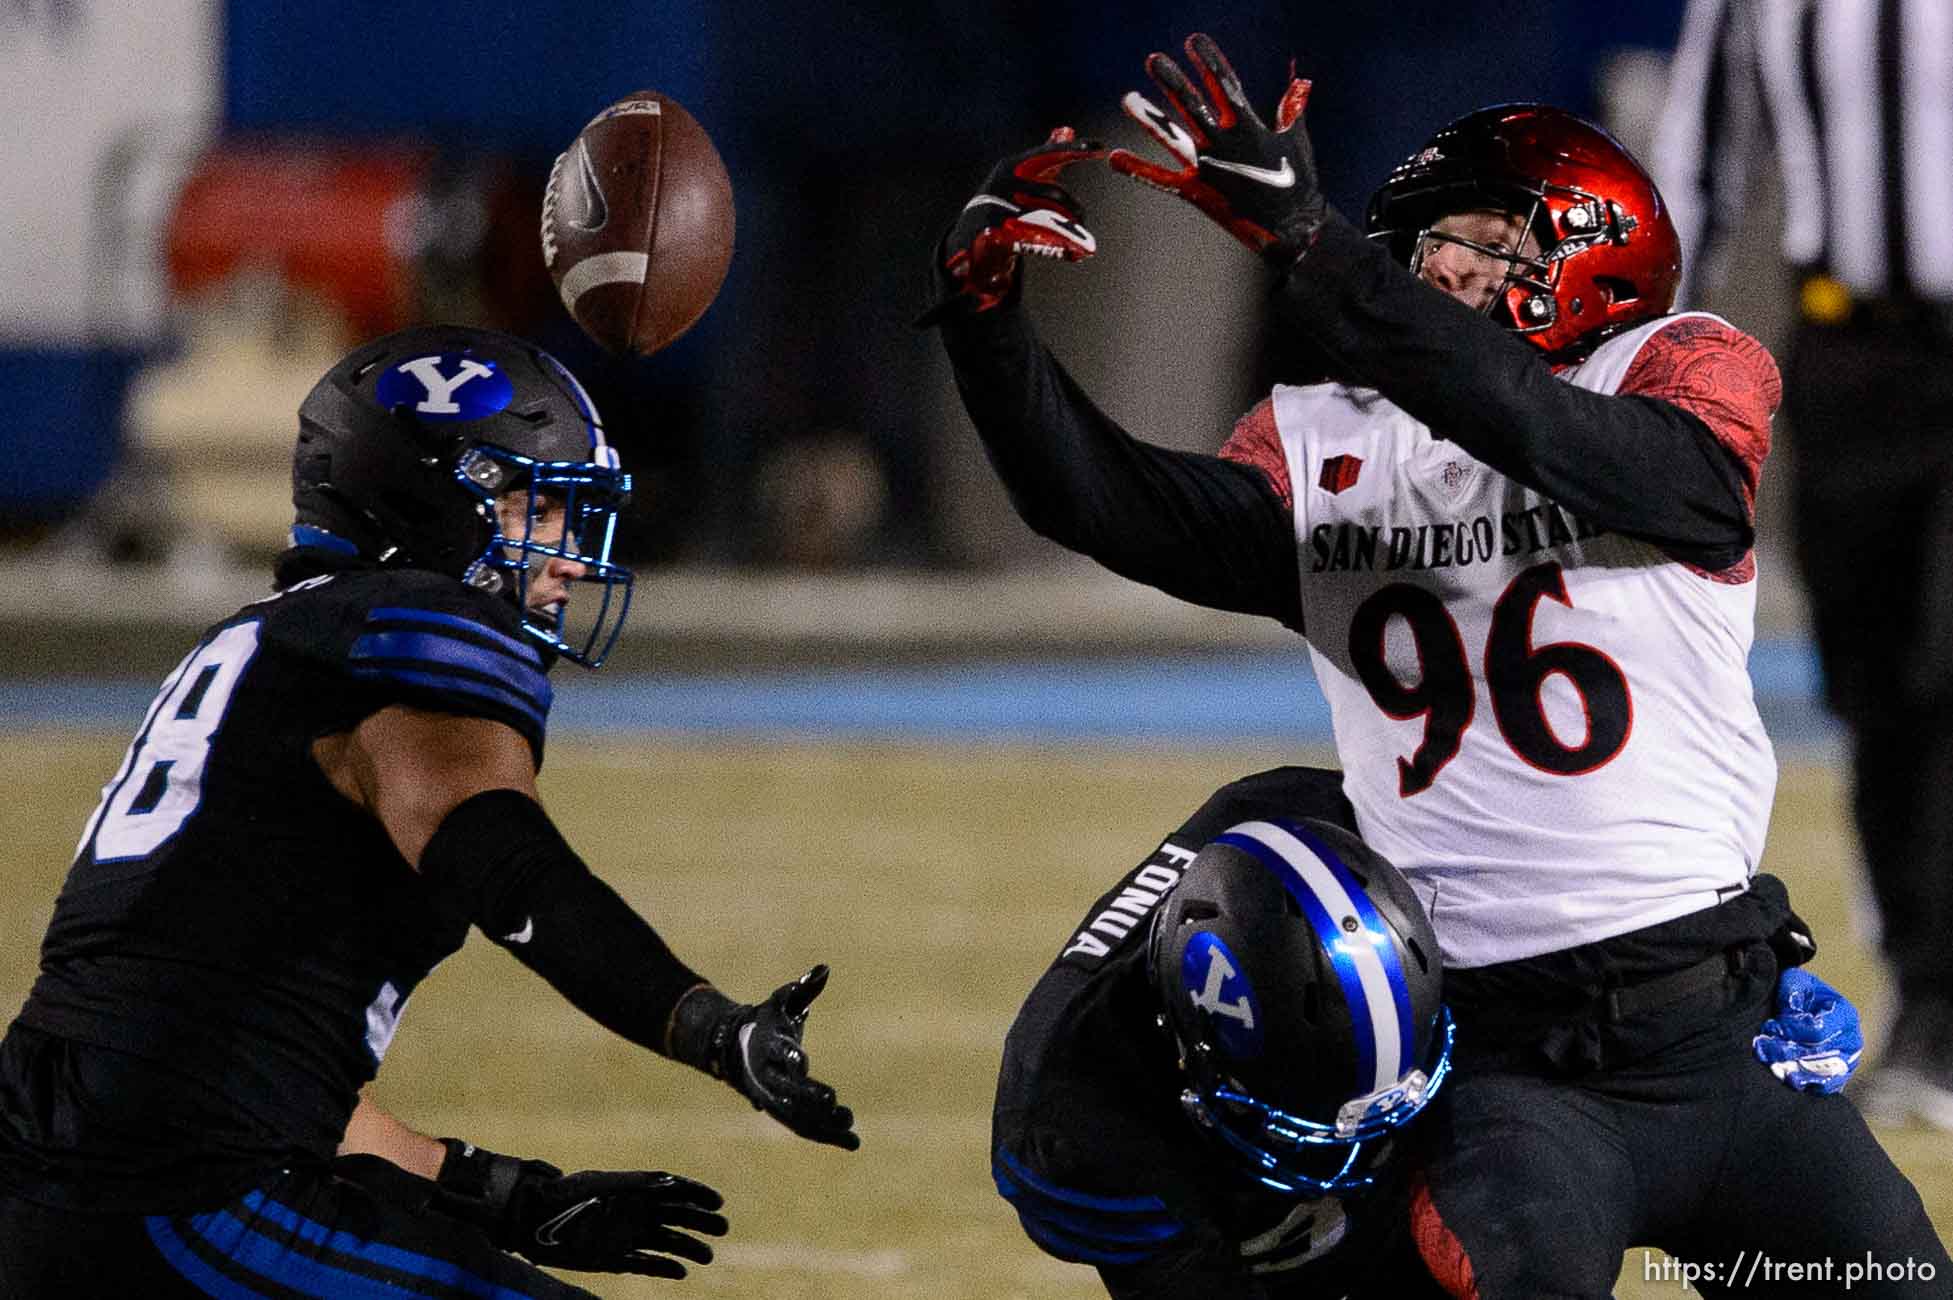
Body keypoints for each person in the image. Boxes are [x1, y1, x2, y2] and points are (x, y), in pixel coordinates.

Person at [927, 32, 1948, 1297]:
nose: (1444, 264)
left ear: (1594, 255)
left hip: (1720, 1041)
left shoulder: (1676, 371)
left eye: (1486, 239)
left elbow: (1576, 447)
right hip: (1513, 1075)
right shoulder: (1328, 441)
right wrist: (984, 330)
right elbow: (1110, 504)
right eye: (1432, 240)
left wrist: (1320, 256)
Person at [0, 324, 858, 1298]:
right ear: (434, 496)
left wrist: (504, 1195)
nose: (569, 557)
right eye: (540, 506)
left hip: (53, 1192)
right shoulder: (403, 636)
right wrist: (713, 1028)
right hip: (178, 1204)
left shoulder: (259, 651)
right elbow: (509, 871)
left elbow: (217, 1061)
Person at [996, 766, 1869, 1298]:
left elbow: (1580, 882)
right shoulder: (1073, 1124)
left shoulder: (1374, 836)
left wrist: (1749, 959)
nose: (1350, 1152)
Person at [1653, 0, 1953, 1134]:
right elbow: (1699, 153)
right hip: (1848, 347)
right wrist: (1645, 352)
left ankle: (1941, 1006)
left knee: (1948, 662)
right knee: (1876, 682)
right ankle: (1925, 982)